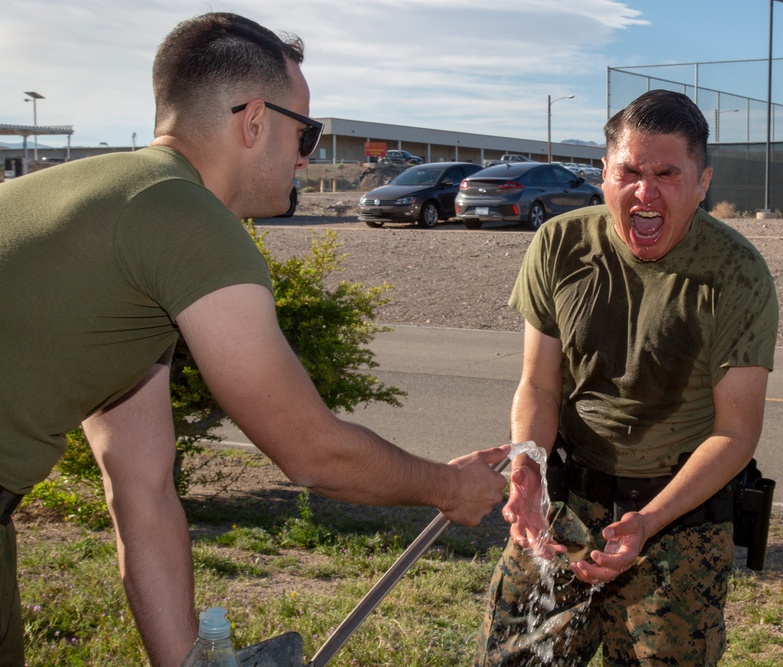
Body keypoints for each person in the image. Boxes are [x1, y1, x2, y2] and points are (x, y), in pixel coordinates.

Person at [0, 13, 509, 667]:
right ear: (255, 121)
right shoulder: (187, 218)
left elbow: (142, 489)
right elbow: (311, 451)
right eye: (307, 132)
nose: (306, 156)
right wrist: (446, 485)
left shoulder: (114, 207)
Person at [475, 89, 779, 666]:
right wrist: (527, 470)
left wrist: (648, 521)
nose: (646, 191)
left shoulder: (737, 274)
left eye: (667, 173)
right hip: (564, 505)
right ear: (605, 176)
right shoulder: (560, 245)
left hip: (677, 523)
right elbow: (539, 385)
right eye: (630, 172)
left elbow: (736, 431)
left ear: (702, 181)